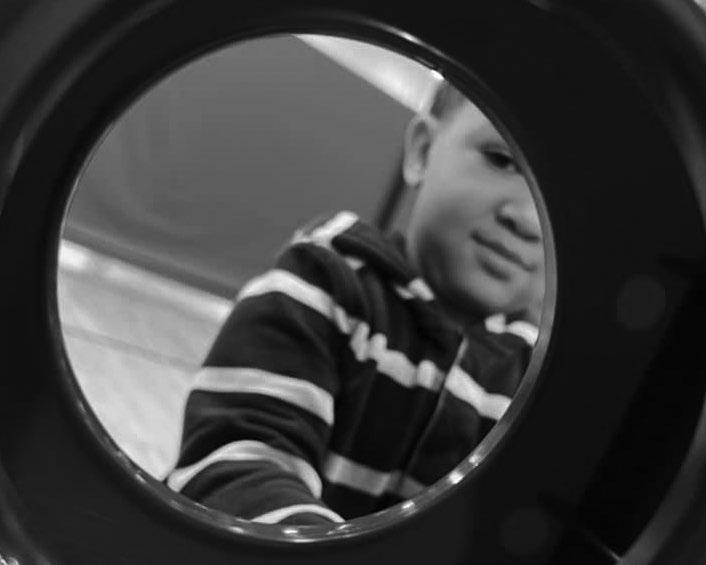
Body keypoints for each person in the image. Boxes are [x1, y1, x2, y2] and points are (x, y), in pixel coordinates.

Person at [165, 79, 545, 525]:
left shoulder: (538, 380)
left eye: (563, 207)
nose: (527, 219)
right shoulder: (325, 285)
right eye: (501, 160)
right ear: (422, 151)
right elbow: (236, 460)